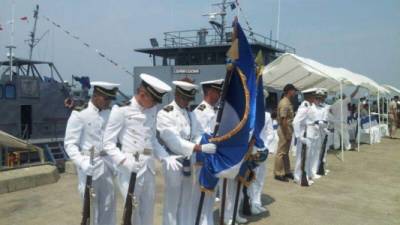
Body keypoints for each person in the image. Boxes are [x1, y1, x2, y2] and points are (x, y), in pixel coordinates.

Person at [102, 73, 182, 225]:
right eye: (153, 100)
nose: (154, 105)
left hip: (148, 168)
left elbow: (152, 140)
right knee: (131, 213)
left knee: (147, 212)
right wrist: (125, 161)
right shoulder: (121, 110)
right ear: (143, 94)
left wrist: (165, 156)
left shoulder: (152, 110)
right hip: (129, 169)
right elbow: (108, 144)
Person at [156, 78, 217, 225]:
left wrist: (204, 142)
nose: (186, 102)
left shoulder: (190, 114)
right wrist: (198, 147)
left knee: (186, 201)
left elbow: (196, 134)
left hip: (189, 161)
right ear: (177, 94)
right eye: (184, 98)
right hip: (174, 161)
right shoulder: (165, 113)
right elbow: (173, 140)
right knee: (172, 202)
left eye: (188, 99)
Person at [64, 81, 119, 225]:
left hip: (107, 166)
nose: (108, 102)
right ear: (95, 95)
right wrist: (82, 162)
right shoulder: (80, 113)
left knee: (108, 207)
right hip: (89, 166)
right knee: (91, 209)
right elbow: (70, 144)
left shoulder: (111, 113)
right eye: (106, 98)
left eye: (110, 99)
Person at [191, 79, 223, 225]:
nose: (219, 95)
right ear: (210, 92)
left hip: (212, 159)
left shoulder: (214, 110)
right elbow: (196, 136)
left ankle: (207, 221)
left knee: (210, 196)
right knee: (200, 196)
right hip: (203, 160)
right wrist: (208, 143)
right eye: (218, 92)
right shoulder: (200, 112)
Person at [247, 108, 274, 214]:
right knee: (250, 178)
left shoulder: (266, 115)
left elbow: (270, 133)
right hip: (249, 150)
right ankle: (248, 202)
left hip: (261, 150)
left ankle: (257, 202)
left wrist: (265, 146)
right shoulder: (248, 113)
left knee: (260, 177)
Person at [293, 88, 317, 185]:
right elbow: (295, 122)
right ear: (310, 97)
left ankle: (304, 176)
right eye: (314, 96)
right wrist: (299, 137)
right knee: (301, 157)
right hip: (304, 134)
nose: (315, 98)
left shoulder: (309, 105)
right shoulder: (304, 106)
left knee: (307, 157)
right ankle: (298, 177)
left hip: (309, 133)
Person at [274, 84, 297, 182]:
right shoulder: (284, 103)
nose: (295, 92)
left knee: (286, 152)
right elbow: (283, 119)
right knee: (281, 152)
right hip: (285, 129)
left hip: (288, 128)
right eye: (293, 91)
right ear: (289, 91)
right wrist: (287, 132)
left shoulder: (288, 102)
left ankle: (287, 171)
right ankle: (278, 173)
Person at [330, 86, 360, 150]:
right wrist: (356, 90)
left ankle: (336, 146)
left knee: (336, 135)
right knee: (345, 135)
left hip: (336, 121)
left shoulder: (334, 103)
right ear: (343, 97)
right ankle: (347, 146)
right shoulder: (343, 102)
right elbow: (351, 96)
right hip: (342, 121)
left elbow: (330, 110)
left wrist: (334, 115)